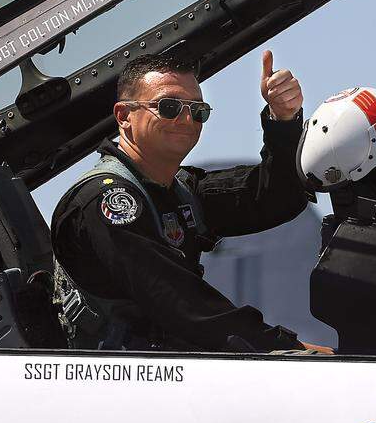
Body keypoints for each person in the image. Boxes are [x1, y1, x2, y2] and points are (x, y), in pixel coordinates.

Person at [52, 50, 331, 353]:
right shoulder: (108, 203)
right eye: (169, 107)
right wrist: (286, 347)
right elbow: (183, 306)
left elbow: (274, 196)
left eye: (198, 110)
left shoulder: (180, 190)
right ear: (124, 116)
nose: (186, 119)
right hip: (114, 382)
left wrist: (283, 120)